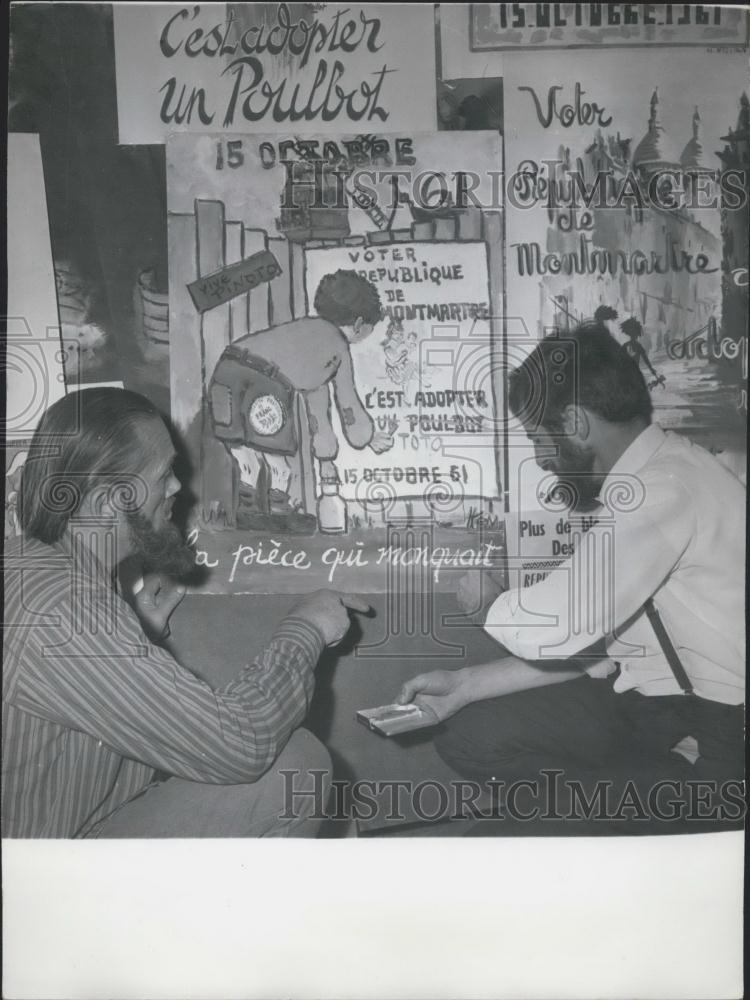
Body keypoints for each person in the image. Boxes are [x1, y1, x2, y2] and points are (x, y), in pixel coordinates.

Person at [397, 325, 745, 827]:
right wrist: (465, 685)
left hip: (722, 735)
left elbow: (555, 627)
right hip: (663, 709)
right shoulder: (658, 477)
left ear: (577, 423)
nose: (541, 459)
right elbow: (604, 649)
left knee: (505, 838)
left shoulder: (661, 490)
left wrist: (488, 603)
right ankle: (633, 813)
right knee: (471, 735)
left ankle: (661, 821)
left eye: (540, 439)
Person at [3, 388, 370, 838]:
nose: (177, 487)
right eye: (163, 475)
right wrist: (306, 629)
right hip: (39, 879)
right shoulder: (68, 614)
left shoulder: (30, 563)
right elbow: (239, 745)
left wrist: (137, 635)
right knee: (297, 767)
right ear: (105, 504)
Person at [209, 269, 394, 533]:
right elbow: (347, 404)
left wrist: (326, 456)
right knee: (277, 463)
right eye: (368, 330)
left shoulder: (304, 331)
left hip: (225, 372)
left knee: (245, 455)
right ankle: (280, 515)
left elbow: (318, 412)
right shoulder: (337, 347)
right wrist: (367, 436)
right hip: (266, 383)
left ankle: (247, 511)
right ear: (358, 324)